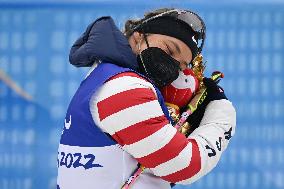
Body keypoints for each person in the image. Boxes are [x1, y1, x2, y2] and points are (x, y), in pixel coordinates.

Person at [56, 8, 236, 189]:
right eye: (169, 49)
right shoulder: (125, 88)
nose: (172, 65)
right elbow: (185, 165)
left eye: (181, 66)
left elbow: (146, 169)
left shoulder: (107, 74)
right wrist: (220, 116)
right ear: (138, 37)